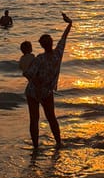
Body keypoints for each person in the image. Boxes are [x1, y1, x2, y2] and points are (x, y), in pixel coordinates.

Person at [24, 12, 73, 149]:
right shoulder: (58, 53)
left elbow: (29, 74)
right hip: (46, 92)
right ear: (51, 43)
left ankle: (35, 147)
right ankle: (58, 143)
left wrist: (33, 79)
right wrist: (69, 23)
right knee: (51, 118)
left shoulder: (39, 58)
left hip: (33, 92)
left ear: (41, 45)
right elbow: (64, 37)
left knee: (34, 120)